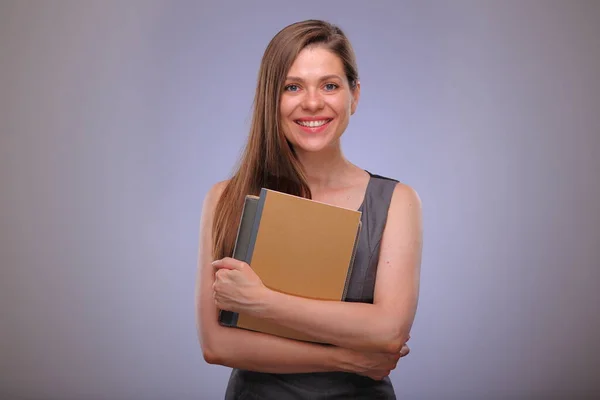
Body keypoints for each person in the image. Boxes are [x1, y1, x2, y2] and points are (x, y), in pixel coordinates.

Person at [195, 19, 423, 400]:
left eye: (330, 85)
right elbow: (217, 345)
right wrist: (348, 359)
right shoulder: (225, 198)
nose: (313, 102)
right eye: (292, 87)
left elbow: (388, 331)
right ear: (271, 98)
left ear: (355, 95)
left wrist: (263, 303)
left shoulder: (397, 201)